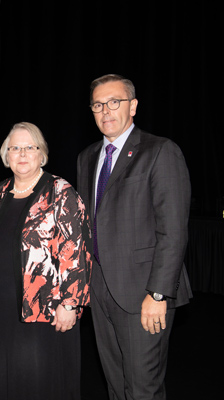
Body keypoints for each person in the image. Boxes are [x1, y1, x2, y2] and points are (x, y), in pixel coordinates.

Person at [77, 74, 192, 400]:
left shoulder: (160, 151)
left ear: (134, 106)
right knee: (115, 385)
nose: (106, 111)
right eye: (98, 104)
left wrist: (158, 295)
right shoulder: (87, 157)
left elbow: (173, 231)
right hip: (100, 290)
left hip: (144, 293)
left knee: (142, 389)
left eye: (115, 102)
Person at [0, 122, 92, 400]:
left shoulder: (60, 191)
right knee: (14, 379)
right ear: (6, 155)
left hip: (47, 307)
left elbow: (76, 249)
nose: (23, 153)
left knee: (44, 380)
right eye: (15, 147)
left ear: (42, 154)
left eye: (30, 147)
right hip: (5, 306)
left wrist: (70, 302)